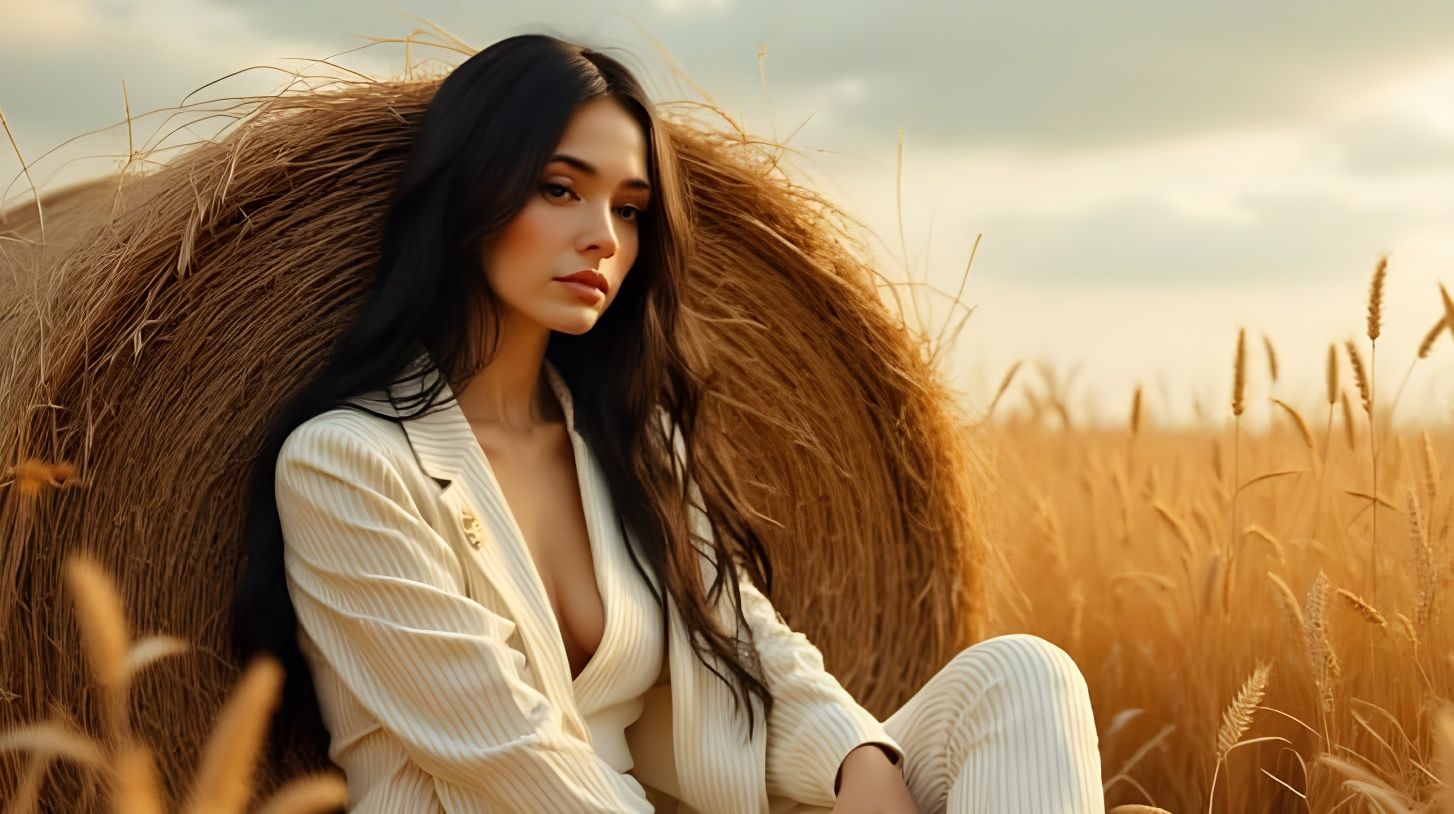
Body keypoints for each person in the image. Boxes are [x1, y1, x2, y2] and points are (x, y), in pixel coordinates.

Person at [237, 33, 1105, 813]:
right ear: (470, 193)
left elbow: (750, 646)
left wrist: (861, 760)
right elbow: (510, 753)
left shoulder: (633, 444)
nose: (603, 237)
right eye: (559, 188)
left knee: (1025, 675)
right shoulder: (345, 465)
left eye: (628, 207)